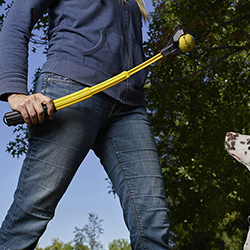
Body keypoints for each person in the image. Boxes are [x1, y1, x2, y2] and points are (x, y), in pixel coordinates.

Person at [0, 0, 171, 249]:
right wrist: (15, 92)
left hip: (129, 107)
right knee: (31, 213)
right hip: (71, 89)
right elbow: (17, 19)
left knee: (154, 223)